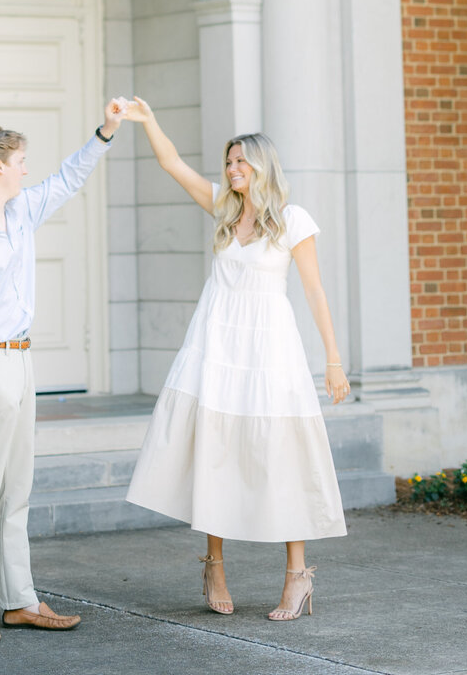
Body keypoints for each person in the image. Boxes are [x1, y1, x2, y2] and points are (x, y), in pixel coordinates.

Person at [123, 100, 349, 621]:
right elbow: (172, 163)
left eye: (241, 163)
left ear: (263, 165)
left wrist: (333, 360)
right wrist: (148, 121)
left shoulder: (293, 220)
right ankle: (215, 564)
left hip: (269, 348)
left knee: (281, 454)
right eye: (229, 163)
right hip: (218, 343)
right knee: (216, 449)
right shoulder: (225, 209)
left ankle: (297, 577)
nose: (232, 171)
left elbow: (314, 292)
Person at [0, 99, 128, 645]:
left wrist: (105, 132)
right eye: (19, 161)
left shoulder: (21, 213)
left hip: (23, 359)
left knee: (17, 492)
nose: (27, 170)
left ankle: (19, 601)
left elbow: (68, 178)